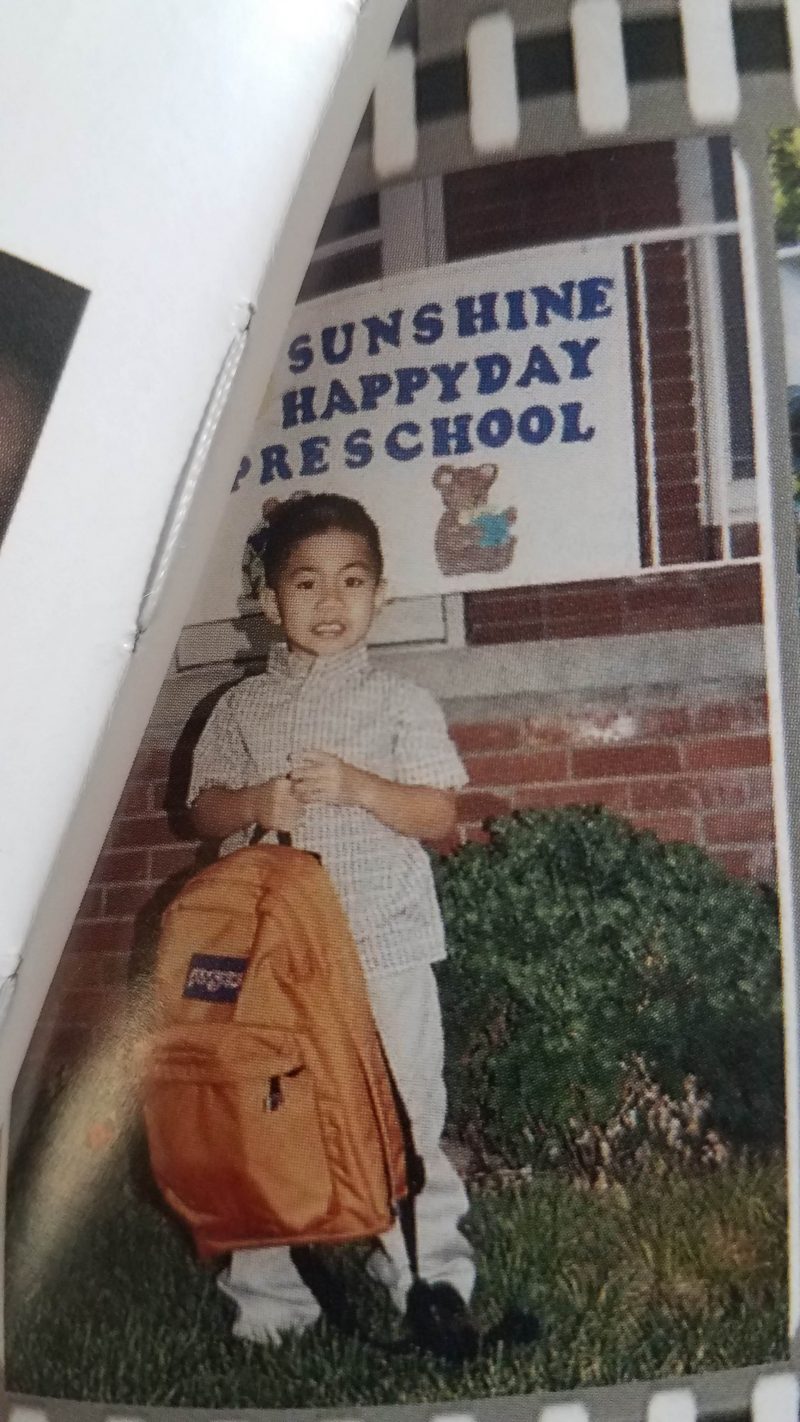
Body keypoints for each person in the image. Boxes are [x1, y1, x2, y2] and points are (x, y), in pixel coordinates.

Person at [188, 492, 476, 1343]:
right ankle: (273, 1303)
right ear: (270, 603)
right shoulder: (241, 709)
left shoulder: (399, 700)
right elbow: (200, 812)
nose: (328, 602)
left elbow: (438, 813)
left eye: (351, 581)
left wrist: (362, 788)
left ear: (380, 595)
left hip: (384, 944)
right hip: (274, 959)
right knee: (267, 1118)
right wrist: (254, 799)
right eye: (305, 584)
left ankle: (428, 1277)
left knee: (407, 1110)